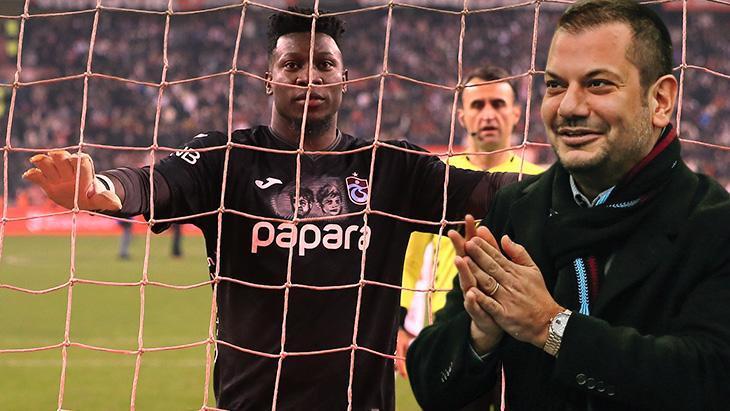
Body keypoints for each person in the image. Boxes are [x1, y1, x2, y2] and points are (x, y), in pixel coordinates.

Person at [22, 8, 516, 411]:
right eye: (292, 64)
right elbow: (153, 184)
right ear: (268, 79)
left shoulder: (392, 167)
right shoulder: (225, 159)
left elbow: (491, 193)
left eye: (324, 65)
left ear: (345, 79)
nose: (309, 77)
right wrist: (98, 189)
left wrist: (565, 176)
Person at [406, 0, 730, 410]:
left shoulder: (713, 222)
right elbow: (432, 387)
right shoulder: (516, 209)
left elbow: (712, 378)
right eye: (556, 85)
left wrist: (550, 326)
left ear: (661, 101)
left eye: (598, 84)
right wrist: (478, 332)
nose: (570, 107)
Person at [396, 66, 543, 388]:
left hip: (520, 325)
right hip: (451, 324)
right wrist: (400, 324)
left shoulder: (536, 180)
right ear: (462, 117)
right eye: (478, 105)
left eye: (498, 104)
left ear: (516, 114)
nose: (488, 114)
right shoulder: (438, 180)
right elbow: (408, 261)